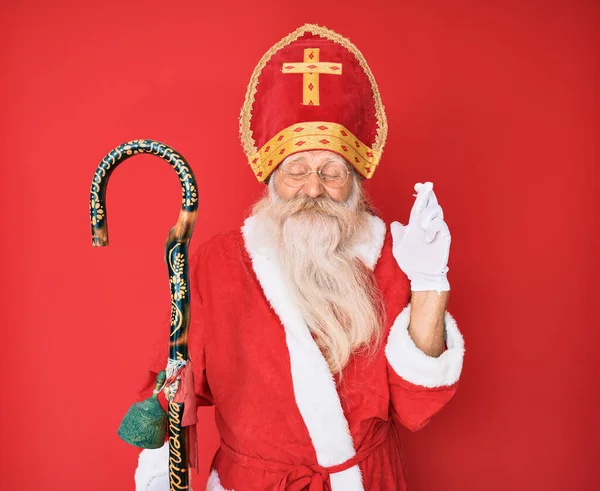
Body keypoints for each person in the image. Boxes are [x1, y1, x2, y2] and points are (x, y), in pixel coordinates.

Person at [134, 23, 465, 491]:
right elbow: (175, 386)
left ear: (354, 183)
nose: (313, 189)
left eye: (332, 172)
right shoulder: (218, 262)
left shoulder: (391, 256)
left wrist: (431, 281)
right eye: (296, 171)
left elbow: (417, 406)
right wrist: (161, 454)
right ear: (271, 176)